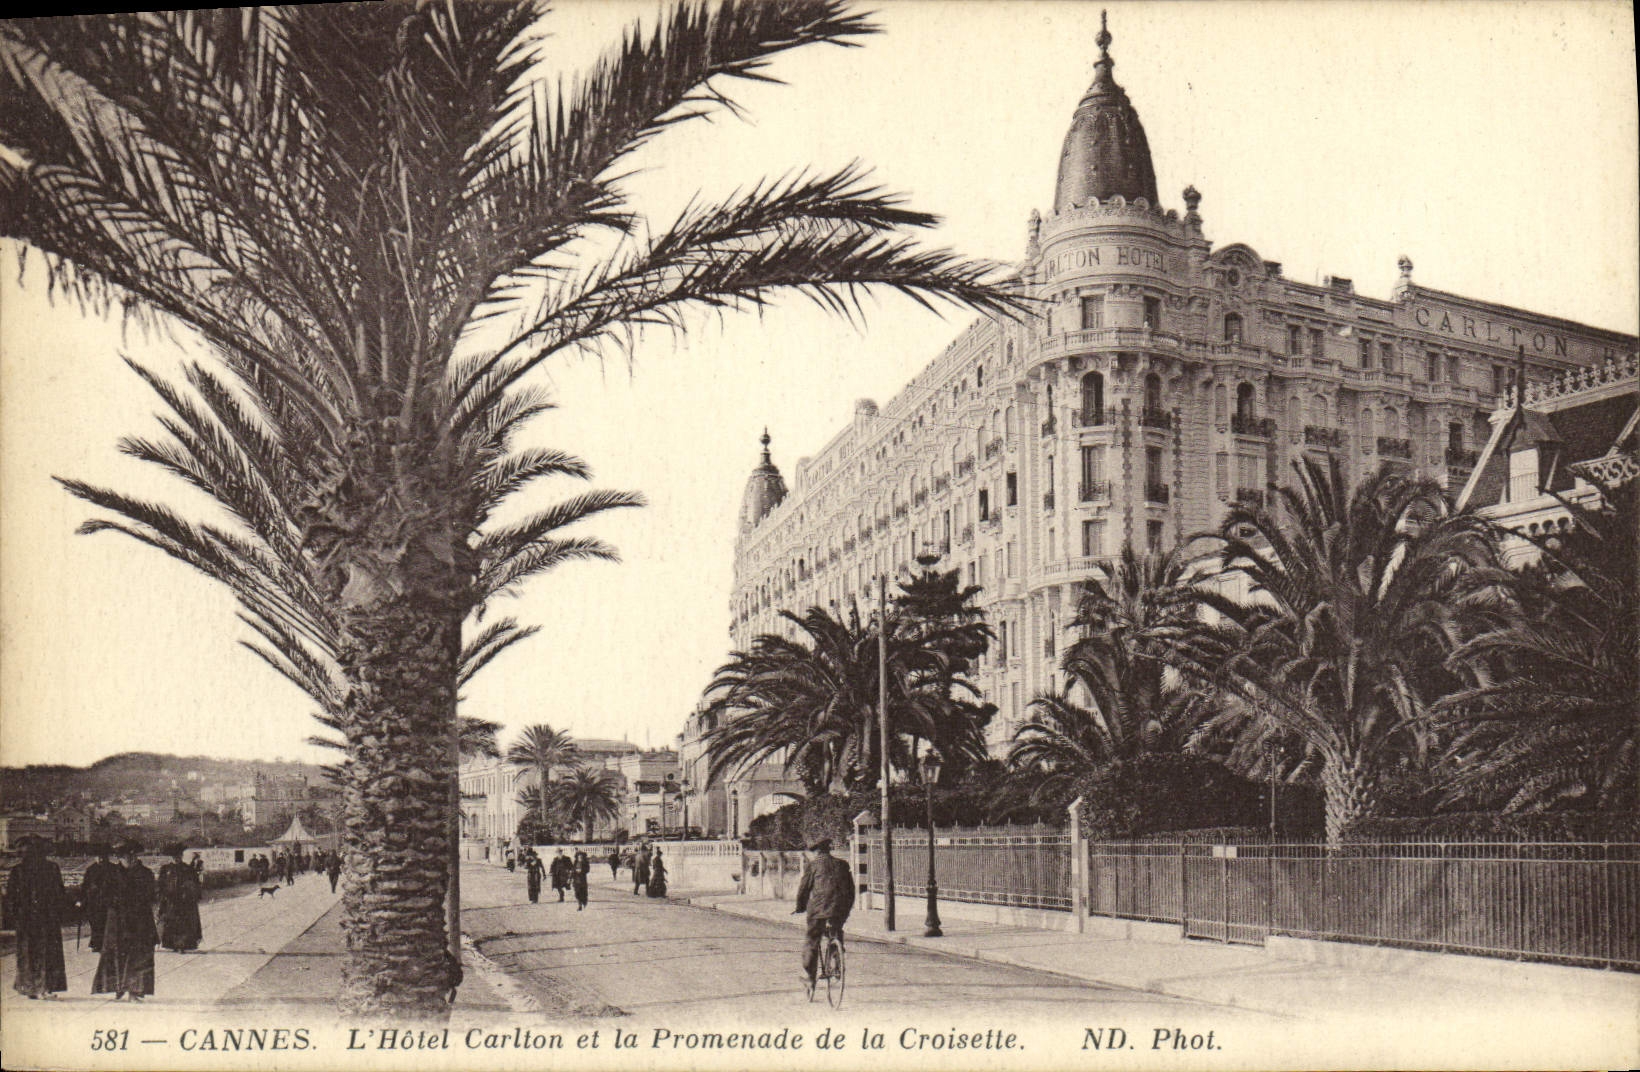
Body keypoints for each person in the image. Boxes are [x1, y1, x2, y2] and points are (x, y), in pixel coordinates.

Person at [3, 836, 68, 999]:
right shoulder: (46, 868)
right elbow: (12, 897)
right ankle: (40, 987)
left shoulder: (21, 870)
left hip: (35, 918)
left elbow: (11, 898)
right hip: (38, 918)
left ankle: (34, 987)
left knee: (31, 953)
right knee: (39, 952)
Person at [93, 842, 158, 1001]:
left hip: (140, 921)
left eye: (132, 856)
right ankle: (118, 986)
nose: (129, 859)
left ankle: (134, 991)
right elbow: (103, 896)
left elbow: (151, 895)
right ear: (119, 858)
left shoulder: (145, 874)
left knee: (138, 956)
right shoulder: (111, 874)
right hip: (117, 922)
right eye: (125, 856)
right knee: (115, 955)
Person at [793, 838, 854, 989]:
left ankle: (809, 977)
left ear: (817, 851)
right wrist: (846, 909)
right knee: (836, 931)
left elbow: (803, 889)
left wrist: (800, 906)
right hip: (840, 909)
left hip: (818, 910)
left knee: (812, 939)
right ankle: (837, 960)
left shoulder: (813, 865)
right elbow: (851, 890)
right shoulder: (842, 864)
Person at [157, 844, 203, 952]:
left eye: (178, 856)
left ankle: (182, 945)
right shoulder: (165, 869)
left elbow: (195, 883)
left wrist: (190, 894)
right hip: (170, 901)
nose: (176, 858)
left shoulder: (187, 869)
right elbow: (160, 885)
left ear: (181, 856)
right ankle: (172, 944)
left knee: (184, 923)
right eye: (174, 856)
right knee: (170, 923)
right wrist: (162, 898)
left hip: (184, 901)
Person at [80, 843, 120, 953]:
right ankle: (96, 943)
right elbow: (85, 886)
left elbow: (118, 885)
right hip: (94, 902)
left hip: (109, 901)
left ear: (107, 857)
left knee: (107, 922)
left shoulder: (114, 869)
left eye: (103, 856)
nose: (101, 859)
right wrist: (81, 899)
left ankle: (107, 944)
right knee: (95, 923)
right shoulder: (90, 870)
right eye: (99, 856)